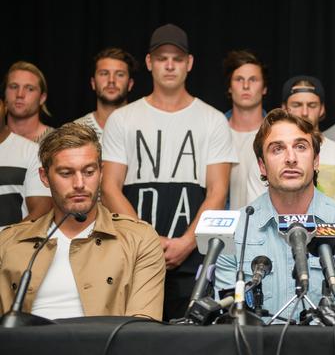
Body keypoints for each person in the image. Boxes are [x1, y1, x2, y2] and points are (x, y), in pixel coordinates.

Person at [101, 24, 237, 320]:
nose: (170, 65)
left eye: (177, 58)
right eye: (162, 58)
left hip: (192, 259)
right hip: (134, 254)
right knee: (134, 337)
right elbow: (109, 187)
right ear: (149, 63)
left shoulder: (212, 120)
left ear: (189, 64)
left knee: (190, 340)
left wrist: (188, 242)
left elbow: (218, 191)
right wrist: (147, 241)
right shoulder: (122, 119)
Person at [215, 109, 335, 317]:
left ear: (316, 161)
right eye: (277, 149)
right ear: (262, 166)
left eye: (301, 147)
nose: (291, 158)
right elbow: (228, 322)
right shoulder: (234, 232)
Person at [0, 123, 165, 320]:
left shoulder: (138, 239)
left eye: (89, 172)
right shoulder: (9, 243)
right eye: (66, 173)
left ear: (101, 172)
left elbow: (143, 330)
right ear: (44, 177)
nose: (79, 184)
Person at [247, 75, 335, 215]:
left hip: (331, 235)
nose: (304, 112)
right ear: (284, 108)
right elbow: (257, 213)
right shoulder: (268, 156)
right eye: (296, 105)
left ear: (322, 109)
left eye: (312, 105)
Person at [223, 50, 268, 210]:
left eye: (253, 80)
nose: (246, 86)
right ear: (230, 87)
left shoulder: (277, 134)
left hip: (268, 228)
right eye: (239, 79)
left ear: (264, 88)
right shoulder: (214, 130)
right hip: (221, 229)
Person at [0, 98, 51, 229]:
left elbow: (41, 210)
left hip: (11, 245)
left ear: (5, 107)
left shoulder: (32, 152)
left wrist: (6, 240)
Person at [75, 47, 137, 141]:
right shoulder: (76, 130)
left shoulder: (142, 126)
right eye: (104, 73)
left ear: (130, 84)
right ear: (93, 83)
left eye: (120, 74)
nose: (111, 80)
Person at [3, 61, 54, 143]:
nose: (20, 94)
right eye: (14, 87)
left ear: (42, 98)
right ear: (5, 94)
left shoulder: (56, 141)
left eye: (30, 89)